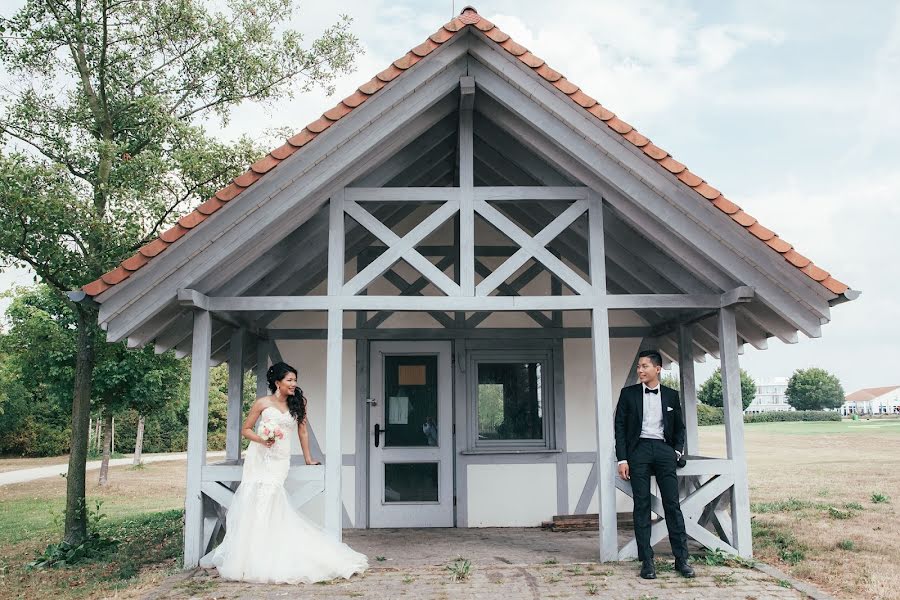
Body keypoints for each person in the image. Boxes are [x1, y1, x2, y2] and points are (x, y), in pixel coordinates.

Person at [201, 362, 368, 583]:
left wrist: (309, 459)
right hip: (258, 458)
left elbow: (303, 432)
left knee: (270, 498)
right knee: (253, 500)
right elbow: (246, 429)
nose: (293, 384)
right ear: (277, 382)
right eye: (289, 380)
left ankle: (268, 551)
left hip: (280, 460)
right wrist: (263, 439)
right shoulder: (262, 403)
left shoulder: (298, 403)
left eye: (295, 380)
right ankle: (249, 556)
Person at [614, 350, 694, 580]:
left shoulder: (670, 395)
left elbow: (679, 428)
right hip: (638, 451)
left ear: (657, 369)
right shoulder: (628, 394)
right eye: (639, 366)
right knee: (641, 506)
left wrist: (676, 451)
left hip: (663, 451)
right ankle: (647, 562)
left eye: (645, 366)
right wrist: (623, 458)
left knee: (672, 505)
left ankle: (682, 560)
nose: (640, 370)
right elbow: (619, 427)